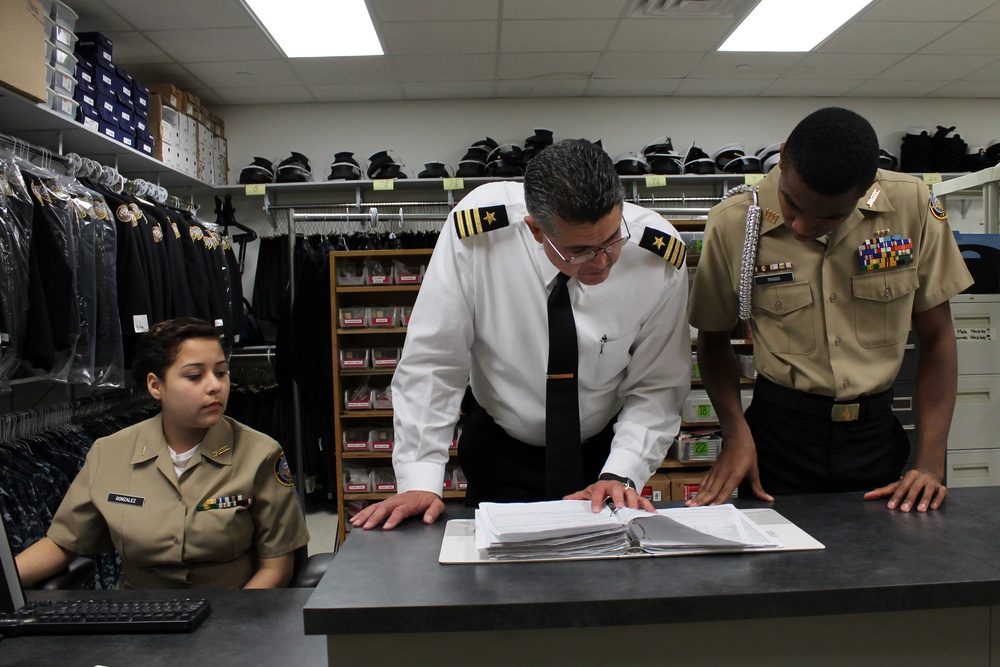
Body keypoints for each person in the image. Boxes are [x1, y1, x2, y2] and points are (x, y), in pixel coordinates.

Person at [351, 139, 690, 531]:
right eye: (578, 250)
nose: (601, 262)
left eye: (612, 240)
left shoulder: (657, 257)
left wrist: (623, 471)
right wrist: (420, 479)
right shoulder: (478, 235)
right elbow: (435, 362)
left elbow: (658, 384)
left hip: (604, 456)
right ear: (536, 230)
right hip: (500, 451)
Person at [687, 107, 973, 513]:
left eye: (829, 217)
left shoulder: (910, 207)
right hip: (778, 438)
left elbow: (939, 336)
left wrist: (930, 464)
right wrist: (735, 434)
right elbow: (713, 341)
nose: (802, 227)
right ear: (782, 158)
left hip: (876, 437)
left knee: (885, 568)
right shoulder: (735, 221)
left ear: (866, 187)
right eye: (791, 204)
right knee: (775, 572)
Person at [15, 317, 310, 589]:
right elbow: (63, 544)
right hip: (138, 620)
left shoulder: (260, 454)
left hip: (230, 617)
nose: (215, 386)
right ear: (156, 386)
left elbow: (276, 567)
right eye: (195, 376)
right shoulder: (110, 453)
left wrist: (232, 628)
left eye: (221, 372)